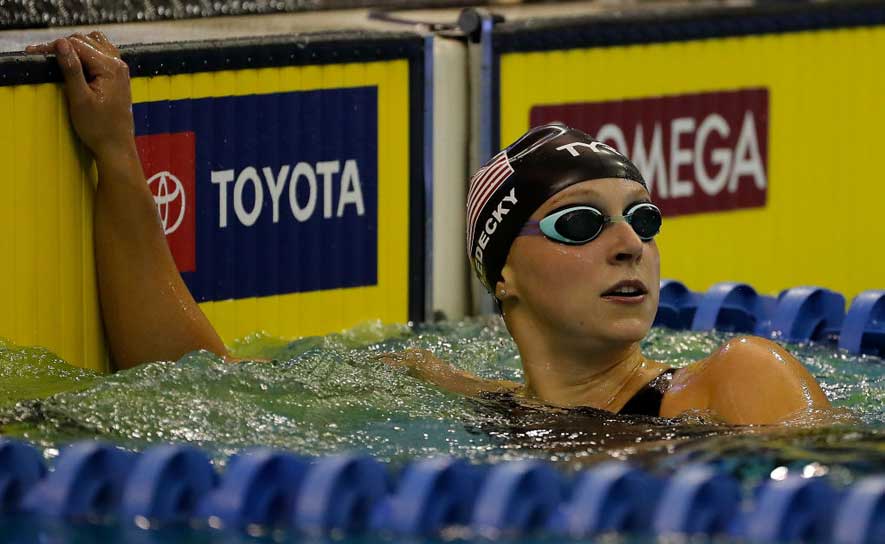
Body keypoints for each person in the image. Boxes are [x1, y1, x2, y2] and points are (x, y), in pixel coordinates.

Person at [28, 32, 832, 425]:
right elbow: (192, 387)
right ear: (502, 276)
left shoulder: (736, 378)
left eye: (643, 219)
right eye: (580, 222)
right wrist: (117, 155)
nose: (629, 244)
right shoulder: (458, 397)